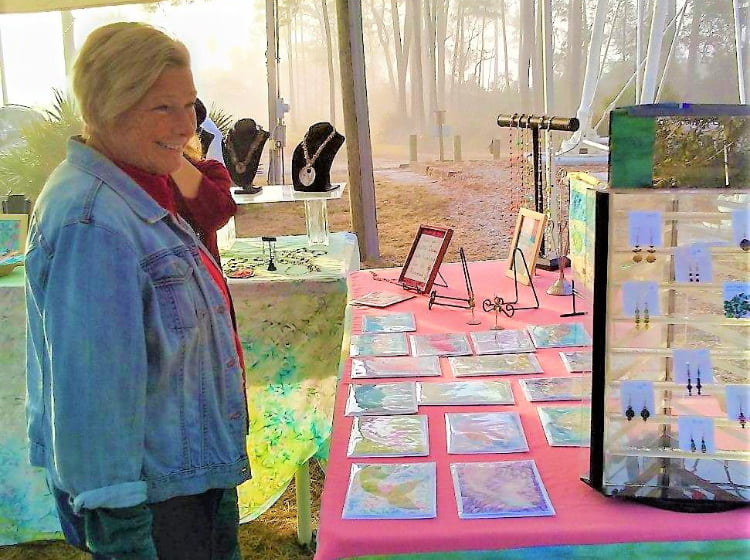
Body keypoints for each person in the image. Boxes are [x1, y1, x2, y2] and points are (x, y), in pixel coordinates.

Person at [24, 22, 249, 560]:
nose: (185, 125)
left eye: (189, 106)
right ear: (107, 106)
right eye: (162, 108)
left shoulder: (139, 185)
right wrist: (122, 532)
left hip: (184, 472)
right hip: (152, 501)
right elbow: (93, 396)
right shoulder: (95, 222)